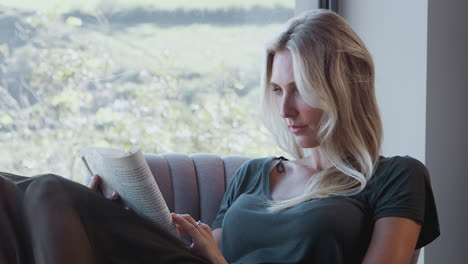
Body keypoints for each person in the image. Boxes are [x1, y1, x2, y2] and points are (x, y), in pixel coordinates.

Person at [0, 9, 439, 264]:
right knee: (23, 192)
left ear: (344, 87)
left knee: (50, 192)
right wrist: (124, 216)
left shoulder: (395, 178)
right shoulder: (254, 174)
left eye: (300, 90)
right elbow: (200, 249)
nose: (284, 110)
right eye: (277, 91)